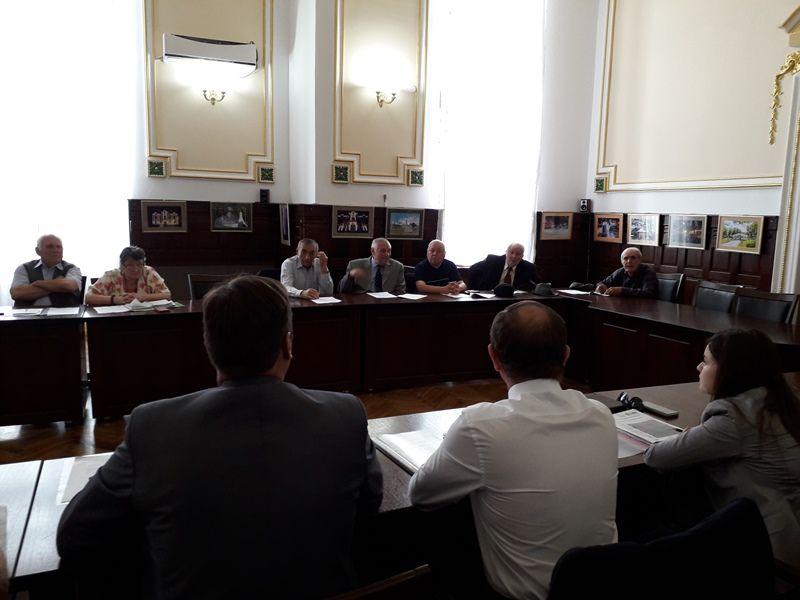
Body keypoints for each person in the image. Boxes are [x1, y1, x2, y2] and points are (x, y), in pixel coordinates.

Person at [57, 276, 383, 598]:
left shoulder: (152, 425)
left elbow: (76, 533)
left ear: (209, 346)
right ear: (288, 344)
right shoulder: (345, 415)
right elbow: (369, 507)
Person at [409, 301, 618, 600]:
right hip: (604, 585)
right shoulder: (601, 415)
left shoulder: (480, 425)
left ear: (493, 357)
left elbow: (421, 494)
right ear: (566, 355)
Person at [644, 329, 800, 568]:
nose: (698, 367)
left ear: (730, 370)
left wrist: (691, 436)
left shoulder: (733, 418)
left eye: (706, 362)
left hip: (767, 550)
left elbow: (656, 457)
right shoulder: (780, 401)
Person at [10, 234, 82, 307]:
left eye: (59, 247)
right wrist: (58, 284)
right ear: (38, 251)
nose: (56, 250)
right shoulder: (23, 268)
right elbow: (16, 293)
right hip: (28, 313)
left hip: (63, 313)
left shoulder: (72, 268)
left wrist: (37, 283)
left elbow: (70, 286)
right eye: (50, 246)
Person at [85, 246, 171, 306]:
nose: (136, 269)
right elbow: (88, 297)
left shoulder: (148, 272)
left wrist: (142, 297)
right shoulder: (111, 275)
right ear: (122, 266)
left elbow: (167, 295)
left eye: (139, 264)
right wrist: (114, 299)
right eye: (130, 265)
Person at [339, 237, 406, 295]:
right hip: (362, 302)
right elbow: (342, 290)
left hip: (387, 303)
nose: (387, 254)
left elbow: (401, 291)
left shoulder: (397, 267)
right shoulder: (355, 265)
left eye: (389, 251)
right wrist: (350, 276)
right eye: (383, 251)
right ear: (372, 251)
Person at [468, 243, 538, 291]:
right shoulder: (492, 261)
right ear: (506, 252)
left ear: (522, 256)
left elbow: (537, 285)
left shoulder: (529, 267)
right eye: (511, 252)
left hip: (514, 300)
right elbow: (472, 269)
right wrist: (470, 287)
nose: (514, 256)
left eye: (518, 254)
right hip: (491, 297)